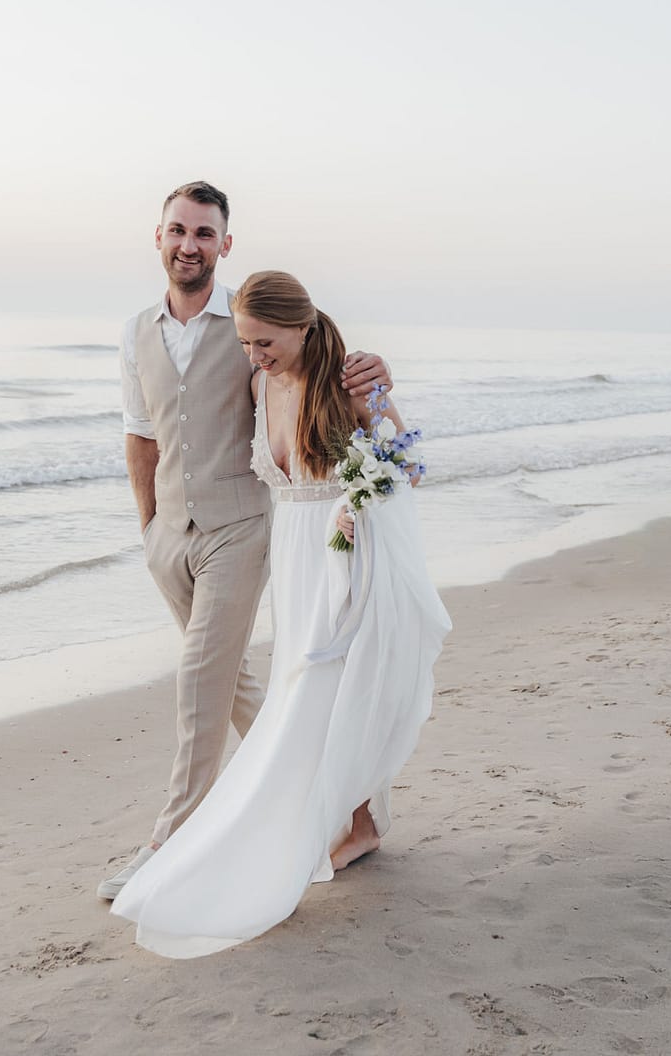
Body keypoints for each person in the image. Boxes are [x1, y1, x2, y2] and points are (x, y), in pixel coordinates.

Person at [110, 270, 451, 957]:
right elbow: (181, 422)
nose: (253, 355)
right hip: (292, 557)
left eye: (264, 342)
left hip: (346, 555)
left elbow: (404, 469)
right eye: (243, 343)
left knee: (326, 690)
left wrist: (362, 486)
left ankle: (332, 823)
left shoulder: (350, 385)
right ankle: (357, 824)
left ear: (301, 327)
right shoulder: (259, 382)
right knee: (317, 690)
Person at [99, 184, 390, 901]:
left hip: (242, 528)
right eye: (178, 230)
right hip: (171, 535)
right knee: (236, 686)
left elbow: (314, 374)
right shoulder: (137, 332)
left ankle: (171, 844)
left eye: (204, 232)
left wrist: (375, 385)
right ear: (158, 237)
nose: (189, 243)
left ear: (224, 244)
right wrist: (149, 529)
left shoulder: (249, 323)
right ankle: (344, 805)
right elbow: (140, 434)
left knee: (200, 682)